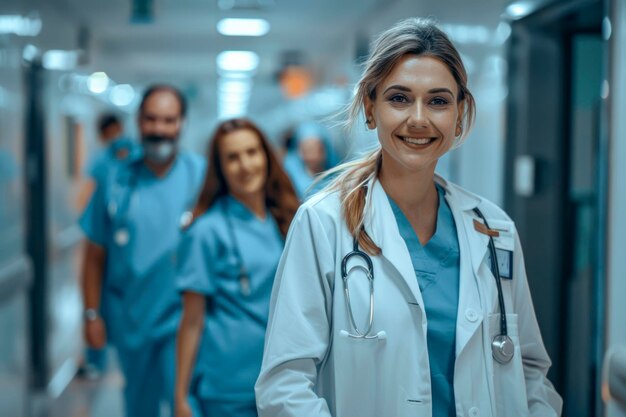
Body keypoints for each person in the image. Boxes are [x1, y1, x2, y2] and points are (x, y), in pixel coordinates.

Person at [255, 17, 562, 417]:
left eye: (438, 101)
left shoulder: (494, 229)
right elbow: (284, 385)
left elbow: (528, 371)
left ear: (459, 113)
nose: (419, 119)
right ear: (370, 108)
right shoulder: (323, 224)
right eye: (399, 98)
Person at [79, 85, 206, 417]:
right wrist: (92, 314)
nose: (159, 129)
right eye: (151, 119)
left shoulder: (202, 177)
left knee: (184, 405)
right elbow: (94, 253)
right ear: (138, 121)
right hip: (131, 319)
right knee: (138, 406)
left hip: (184, 321)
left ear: (182, 123)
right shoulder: (116, 179)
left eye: (168, 120)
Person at [174, 118, 299, 417]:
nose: (245, 165)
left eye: (252, 152)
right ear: (220, 169)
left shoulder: (287, 218)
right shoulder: (206, 232)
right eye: (232, 157)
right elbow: (192, 320)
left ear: (266, 157)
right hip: (229, 386)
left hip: (286, 379)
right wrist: (180, 396)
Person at [76, 113, 139, 211]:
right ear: (103, 137)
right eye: (108, 135)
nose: (113, 138)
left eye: (114, 132)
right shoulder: (100, 160)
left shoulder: (137, 154)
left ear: (121, 129)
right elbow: (86, 192)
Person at [282, 121, 339, 199]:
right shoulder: (292, 173)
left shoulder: (334, 170)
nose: (313, 156)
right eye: (307, 150)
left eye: (317, 149)